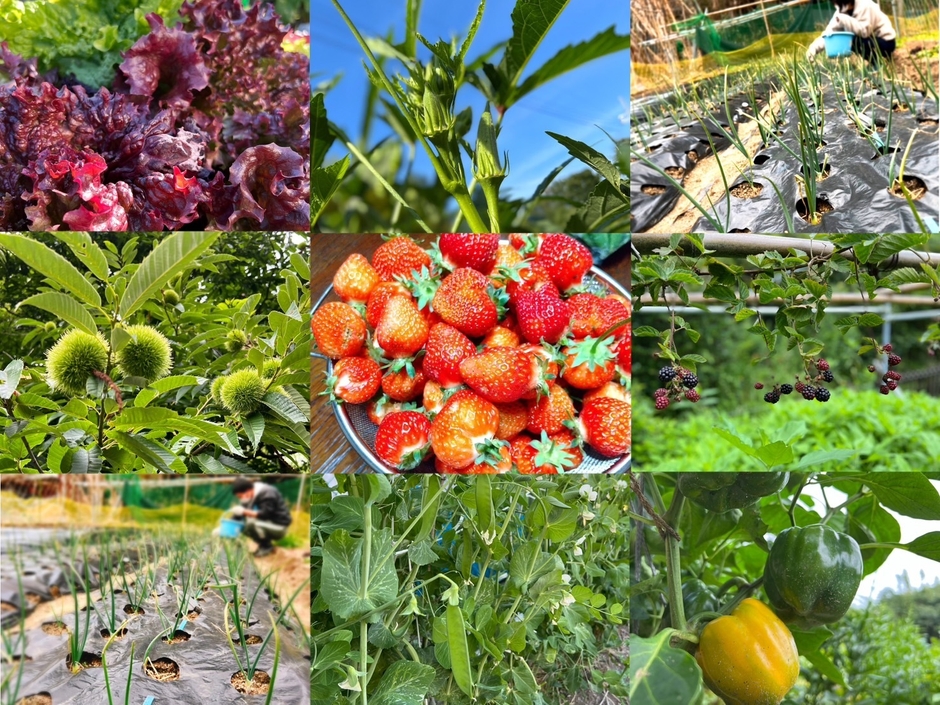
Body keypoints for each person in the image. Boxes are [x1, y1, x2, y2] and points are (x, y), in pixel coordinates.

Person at [806, 0, 896, 64]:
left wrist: (844, 19)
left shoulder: (865, 5)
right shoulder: (841, 11)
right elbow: (829, 33)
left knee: (853, 40)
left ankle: (879, 63)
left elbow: (865, 32)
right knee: (850, 40)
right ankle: (875, 62)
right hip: (870, 41)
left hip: (886, 42)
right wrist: (814, 48)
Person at [228, 478, 293, 557]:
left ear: (248, 490)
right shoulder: (249, 496)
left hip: (279, 527)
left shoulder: (267, 493)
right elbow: (238, 515)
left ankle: (266, 547)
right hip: (267, 524)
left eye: (241, 496)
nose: (241, 499)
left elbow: (265, 514)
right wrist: (226, 526)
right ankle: (262, 545)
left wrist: (244, 512)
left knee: (251, 523)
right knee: (243, 525)